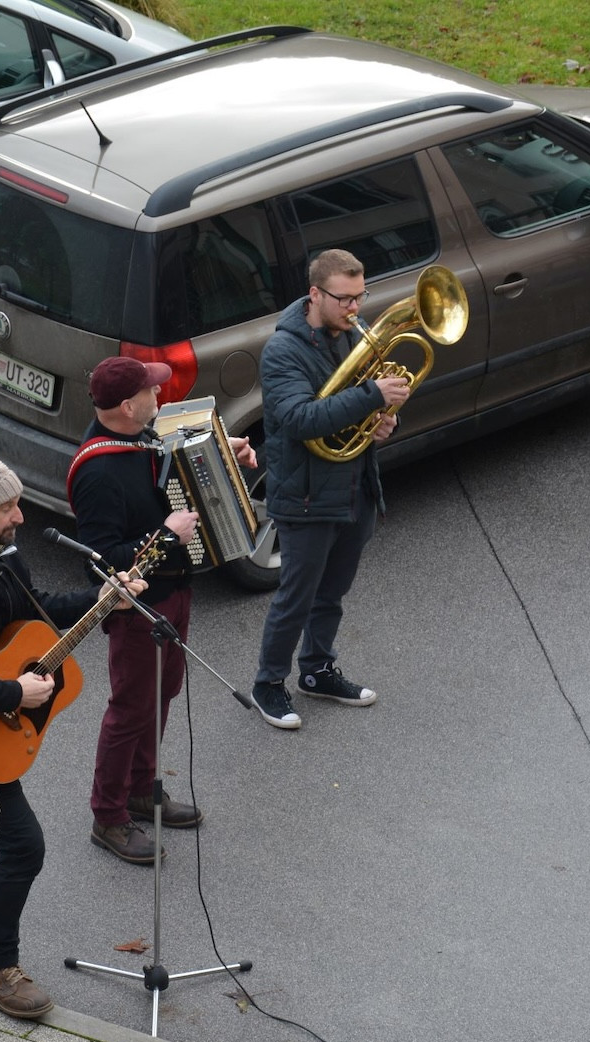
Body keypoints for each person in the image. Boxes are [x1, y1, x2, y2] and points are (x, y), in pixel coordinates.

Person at [0, 443, 144, 1018]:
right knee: (23, 845)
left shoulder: (2, 557)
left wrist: (102, 599)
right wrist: (14, 692)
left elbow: (39, 614)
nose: (21, 516)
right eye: (9, 508)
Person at [69, 356, 256, 863]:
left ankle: (139, 789)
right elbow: (100, 565)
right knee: (131, 709)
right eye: (152, 391)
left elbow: (175, 469)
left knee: (163, 695)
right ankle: (108, 817)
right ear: (128, 406)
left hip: (175, 592)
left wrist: (224, 455)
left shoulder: (139, 434)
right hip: (139, 610)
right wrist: (167, 537)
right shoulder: (98, 470)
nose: (161, 396)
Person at [250, 248, 411, 730]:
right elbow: (299, 419)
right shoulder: (283, 352)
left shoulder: (348, 334)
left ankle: (317, 671)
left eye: (360, 297)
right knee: (296, 597)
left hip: (353, 486)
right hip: (305, 496)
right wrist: (371, 395)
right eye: (345, 299)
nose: (355, 308)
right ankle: (268, 684)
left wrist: (383, 421)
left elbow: (354, 408)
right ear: (315, 294)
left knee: (333, 592)